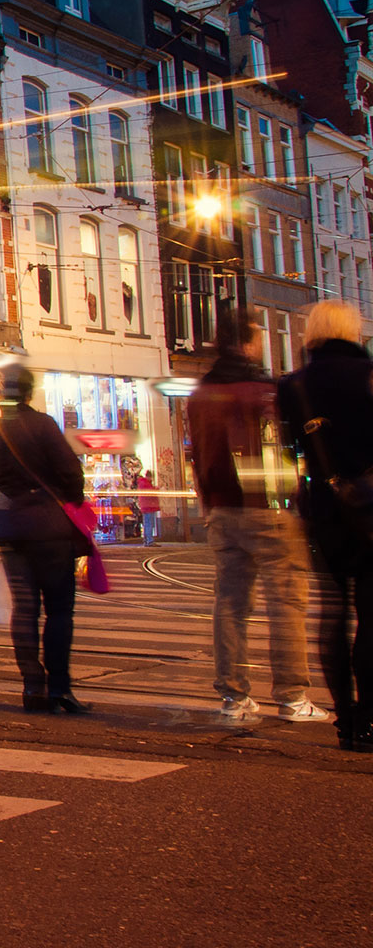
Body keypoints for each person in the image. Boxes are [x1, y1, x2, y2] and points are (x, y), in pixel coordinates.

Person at [189, 311, 329, 725]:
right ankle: (292, 696)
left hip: (221, 510)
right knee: (286, 603)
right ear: (248, 343)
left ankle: (234, 697)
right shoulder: (263, 391)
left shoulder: (201, 393)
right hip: (269, 508)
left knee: (230, 604)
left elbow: (199, 453)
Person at [277, 299, 373, 752]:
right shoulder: (369, 376)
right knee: (371, 615)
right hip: (371, 512)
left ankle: (345, 720)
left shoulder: (293, 385)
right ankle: (370, 718)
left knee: (333, 613)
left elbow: (290, 450)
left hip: (323, 511)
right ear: (354, 331)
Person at [0, 366, 90, 714]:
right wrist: (68, 500)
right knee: (59, 610)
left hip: (12, 527)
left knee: (25, 609)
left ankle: (32, 686)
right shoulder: (42, 425)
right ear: (29, 392)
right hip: (47, 528)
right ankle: (59, 687)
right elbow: (71, 473)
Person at [131, 459, 162, 546]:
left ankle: (146, 540)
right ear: (149, 476)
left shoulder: (143, 483)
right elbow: (150, 493)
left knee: (147, 523)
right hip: (149, 506)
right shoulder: (145, 483)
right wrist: (156, 489)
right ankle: (149, 541)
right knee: (149, 524)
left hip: (146, 506)